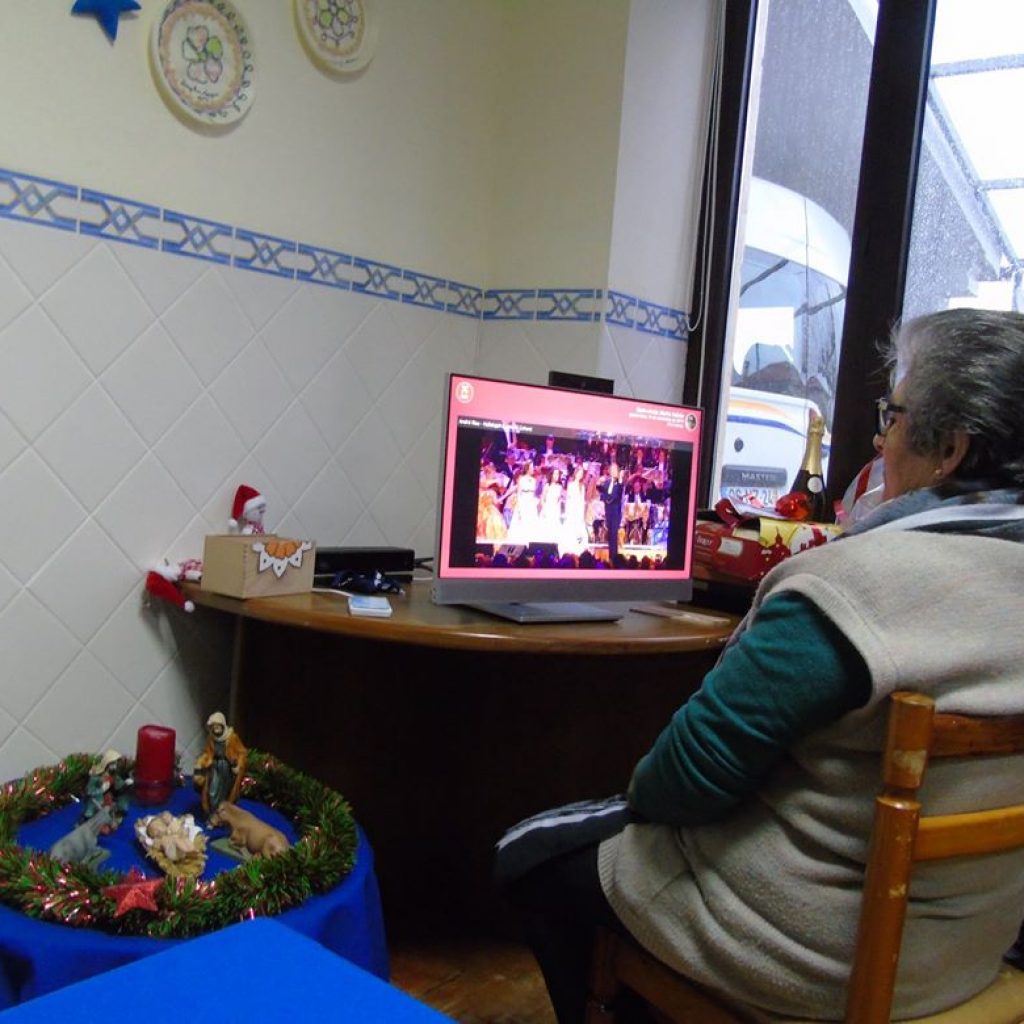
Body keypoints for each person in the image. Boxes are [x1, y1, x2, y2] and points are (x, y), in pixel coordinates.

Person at [495, 308, 1024, 1022]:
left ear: (950, 449)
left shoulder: (853, 586)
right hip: (964, 957)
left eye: (893, 416)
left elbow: (682, 780)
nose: (879, 438)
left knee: (530, 854)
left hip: (819, 961)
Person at [194, 711, 248, 816]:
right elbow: (207, 752)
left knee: (225, 792)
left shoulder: (232, 737)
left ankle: (224, 813)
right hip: (215, 768)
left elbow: (242, 752)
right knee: (212, 790)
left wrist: (238, 765)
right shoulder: (211, 739)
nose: (216, 729)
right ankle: (213, 812)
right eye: (214, 727)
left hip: (227, 769)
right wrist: (202, 762)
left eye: (218, 727)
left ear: (222, 726)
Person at [599, 463, 624, 566]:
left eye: (615, 470)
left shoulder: (619, 483)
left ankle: (614, 558)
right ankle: (611, 556)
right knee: (610, 534)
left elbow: (619, 493)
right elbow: (602, 491)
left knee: (614, 534)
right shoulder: (607, 482)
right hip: (608, 510)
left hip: (615, 511)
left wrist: (620, 479)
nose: (613, 471)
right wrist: (598, 483)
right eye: (612, 469)